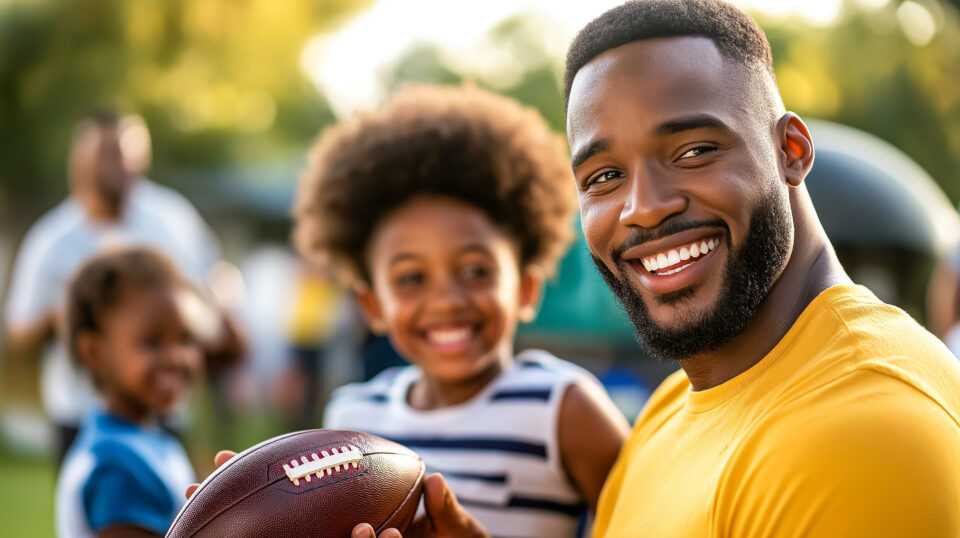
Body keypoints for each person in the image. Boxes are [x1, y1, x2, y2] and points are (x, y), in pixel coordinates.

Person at [348, 1, 960, 536]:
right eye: (604, 177)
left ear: (790, 151)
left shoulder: (865, 436)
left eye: (693, 151)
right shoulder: (676, 405)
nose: (643, 209)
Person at [293, 84, 629, 537]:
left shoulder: (563, 410)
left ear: (526, 289)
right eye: (411, 278)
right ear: (371, 304)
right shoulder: (350, 423)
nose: (448, 300)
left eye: (475, 271)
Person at [3, 110, 234, 466]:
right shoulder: (52, 239)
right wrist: (59, 318)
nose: (121, 163)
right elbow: (19, 328)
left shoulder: (174, 219)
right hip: (82, 412)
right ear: (80, 161)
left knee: (172, 516)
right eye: (108, 153)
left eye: (129, 152)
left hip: (164, 406)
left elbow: (209, 294)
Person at [56, 248, 202, 537]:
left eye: (185, 339)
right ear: (94, 352)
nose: (176, 358)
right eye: (152, 342)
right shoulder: (118, 466)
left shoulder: (146, 441)